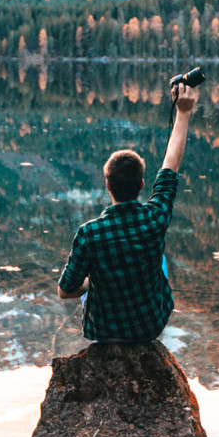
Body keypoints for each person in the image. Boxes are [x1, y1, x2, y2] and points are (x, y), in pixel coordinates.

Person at [57, 79, 200, 342]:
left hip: (104, 332)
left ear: (108, 185)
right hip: (150, 327)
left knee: (90, 276)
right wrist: (183, 112)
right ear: (142, 184)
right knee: (161, 261)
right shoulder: (155, 217)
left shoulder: (89, 234)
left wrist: (90, 283)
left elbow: (65, 291)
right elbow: (170, 166)